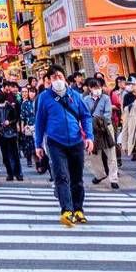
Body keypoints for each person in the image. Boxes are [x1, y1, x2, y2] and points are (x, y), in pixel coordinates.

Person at [32, 70, 93, 225]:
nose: (57, 79)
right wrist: (38, 144)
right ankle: (66, 210)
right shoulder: (44, 97)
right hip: (55, 142)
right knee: (61, 176)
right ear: (49, 80)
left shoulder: (76, 96)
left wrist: (89, 137)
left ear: (65, 78)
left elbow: (86, 116)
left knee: (77, 177)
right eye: (54, 77)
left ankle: (78, 209)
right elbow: (39, 122)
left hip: (76, 141)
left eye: (60, 76)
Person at [87, 78, 121, 189]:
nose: (97, 89)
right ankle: (99, 175)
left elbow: (108, 113)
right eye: (94, 87)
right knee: (94, 155)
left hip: (106, 128)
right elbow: (85, 115)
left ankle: (113, 179)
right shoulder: (86, 99)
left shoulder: (106, 98)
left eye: (99, 87)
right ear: (90, 88)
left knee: (111, 154)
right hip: (92, 130)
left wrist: (98, 121)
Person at [0, 85, 27, 182]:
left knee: (15, 154)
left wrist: (10, 122)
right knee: (5, 155)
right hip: (1, 133)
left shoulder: (10, 106)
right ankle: (10, 173)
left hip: (11, 132)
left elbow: (16, 118)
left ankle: (18, 173)